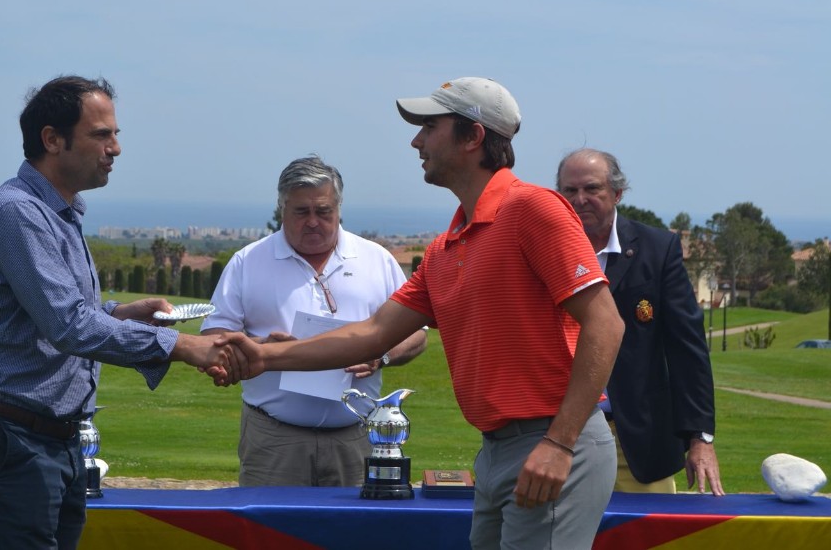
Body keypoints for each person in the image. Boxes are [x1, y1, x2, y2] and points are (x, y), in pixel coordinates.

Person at [212, 77, 625, 550]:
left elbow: (606, 324)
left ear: (473, 137)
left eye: (429, 127)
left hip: (552, 443)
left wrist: (559, 443)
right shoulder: (447, 247)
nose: (416, 141)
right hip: (498, 451)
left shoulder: (533, 209)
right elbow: (372, 334)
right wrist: (265, 359)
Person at [0, 75, 243, 550]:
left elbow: (60, 314)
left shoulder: (60, 211)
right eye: (102, 135)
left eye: (115, 134)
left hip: (49, 440)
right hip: (10, 439)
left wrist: (122, 312)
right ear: (52, 139)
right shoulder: (17, 213)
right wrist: (184, 346)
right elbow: (68, 325)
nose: (116, 148)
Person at [201, 155, 427, 487]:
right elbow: (215, 337)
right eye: (301, 212)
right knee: (270, 536)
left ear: (339, 208)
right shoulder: (247, 262)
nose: (313, 222)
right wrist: (261, 349)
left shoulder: (376, 260)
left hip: (356, 437)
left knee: (355, 536)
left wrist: (381, 355)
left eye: (323, 212)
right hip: (274, 439)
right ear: (281, 209)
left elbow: (417, 334)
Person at [556, 148, 724, 495]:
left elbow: (687, 350)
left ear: (617, 193)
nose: (580, 199)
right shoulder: (543, 250)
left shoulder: (657, 249)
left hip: (638, 443)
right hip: (557, 438)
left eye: (591, 189)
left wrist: (700, 437)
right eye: (569, 191)